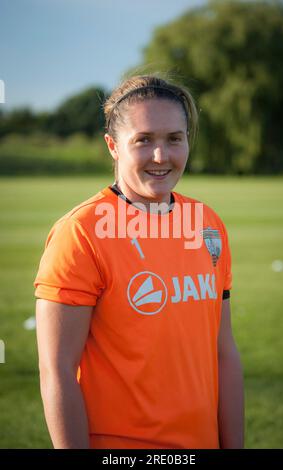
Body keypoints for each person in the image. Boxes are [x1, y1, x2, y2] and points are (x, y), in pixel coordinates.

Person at [34, 74, 244, 449]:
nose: (161, 157)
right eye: (143, 140)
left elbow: (223, 352)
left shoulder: (207, 224)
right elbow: (57, 372)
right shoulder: (81, 232)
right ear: (113, 146)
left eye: (174, 139)